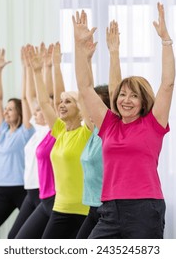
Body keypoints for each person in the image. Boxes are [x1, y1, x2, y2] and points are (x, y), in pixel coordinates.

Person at [73, 2, 175, 239]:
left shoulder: (153, 123)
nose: (126, 100)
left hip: (145, 210)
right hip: (109, 209)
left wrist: (165, 40)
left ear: (143, 101)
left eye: (134, 95)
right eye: (122, 94)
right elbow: (85, 88)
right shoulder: (109, 125)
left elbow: (167, 84)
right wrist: (79, 48)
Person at [26, 45, 91, 239]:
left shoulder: (86, 132)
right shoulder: (59, 130)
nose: (61, 104)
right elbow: (46, 102)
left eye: (68, 101)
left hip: (84, 211)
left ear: (80, 108)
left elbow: (86, 92)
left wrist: (83, 58)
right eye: (61, 102)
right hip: (60, 207)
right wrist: (38, 71)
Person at [0, 47, 35, 239]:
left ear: (19, 112)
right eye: (6, 109)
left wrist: (26, 68)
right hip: (1, 190)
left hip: (21, 190)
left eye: (11, 109)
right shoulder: (3, 131)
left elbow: (26, 99)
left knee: (18, 237)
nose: (6, 112)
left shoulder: (26, 132)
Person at [76, 19, 122, 239]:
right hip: (93, 207)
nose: (89, 108)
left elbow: (114, 93)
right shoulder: (93, 130)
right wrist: (84, 56)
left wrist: (114, 53)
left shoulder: (111, 129)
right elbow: (84, 91)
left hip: (111, 208)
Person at [15, 42, 63, 239]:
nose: (37, 112)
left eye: (42, 110)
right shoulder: (37, 129)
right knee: (14, 238)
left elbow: (50, 99)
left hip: (49, 194)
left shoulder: (54, 129)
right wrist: (28, 68)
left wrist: (48, 67)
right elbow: (28, 97)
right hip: (33, 192)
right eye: (36, 111)